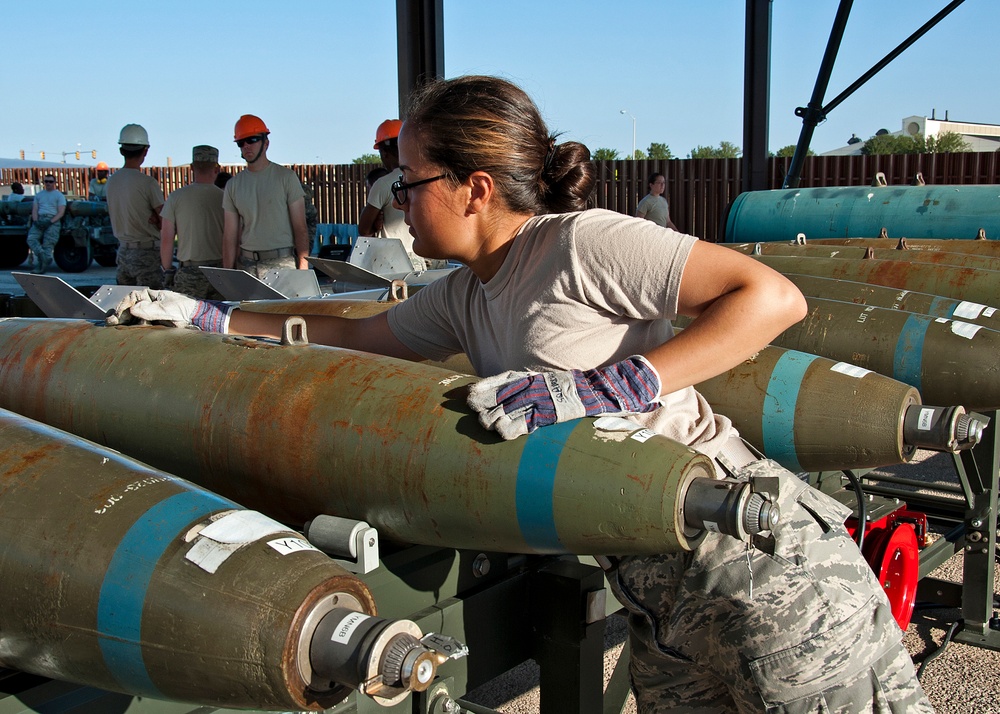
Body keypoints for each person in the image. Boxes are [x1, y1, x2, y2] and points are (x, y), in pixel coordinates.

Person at [109, 75, 932, 713]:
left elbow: (772, 297)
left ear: (474, 187)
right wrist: (214, 319)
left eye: (410, 182)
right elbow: (355, 339)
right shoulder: (467, 291)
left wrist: (615, 385)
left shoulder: (581, 246)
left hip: (760, 568)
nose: (399, 200)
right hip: (657, 593)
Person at [222, 114, 309, 277]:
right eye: (241, 142)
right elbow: (229, 236)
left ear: (266, 143)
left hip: (281, 264)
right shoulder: (233, 185)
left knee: (283, 304)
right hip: (247, 266)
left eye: (252, 139)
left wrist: (303, 270)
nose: (246, 146)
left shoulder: (286, 177)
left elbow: (300, 228)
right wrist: (228, 276)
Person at [357, 119, 429, 270]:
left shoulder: (383, 184)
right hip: (418, 256)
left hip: (390, 259)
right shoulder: (425, 177)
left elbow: (363, 229)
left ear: (384, 152)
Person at [159, 145, 225, 300]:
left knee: (186, 322)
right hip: (220, 272)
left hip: (189, 273)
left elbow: (167, 239)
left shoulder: (176, 197)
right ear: (217, 168)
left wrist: (167, 271)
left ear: (191, 168)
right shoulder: (225, 198)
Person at [105, 123, 165, 288]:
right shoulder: (147, 183)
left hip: (123, 252)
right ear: (145, 151)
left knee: (125, 305)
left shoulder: (112, 181)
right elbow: (164, 220)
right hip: (147, 254)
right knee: (151, 308)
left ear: (121, 150)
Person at [26, 174, 66, 274]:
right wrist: (36, 221)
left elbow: (61, 212)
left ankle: (41, 266)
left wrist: (50, 221)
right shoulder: (39, 195)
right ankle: (42, 256)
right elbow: (35, 209)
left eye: (50, 181)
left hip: (53, 220)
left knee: (48, 243)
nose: (48, 183)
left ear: (54, 183)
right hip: (39, 219)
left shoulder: (59, 195)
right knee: (31, 238)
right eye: (46, 181)